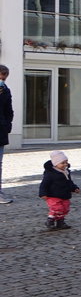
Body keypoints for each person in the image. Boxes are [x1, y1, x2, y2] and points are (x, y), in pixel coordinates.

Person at [38, 149, 80, 230]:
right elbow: (44, 184)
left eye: (66, 162)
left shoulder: (66, 172)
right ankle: (50, 221)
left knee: (65, 208)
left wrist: (74, 188)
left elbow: (69, 182)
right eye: (62, 163)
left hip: (64, 194)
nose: (65, 165)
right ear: (56, 164)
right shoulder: (50, 173)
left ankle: (60, 222)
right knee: (56, 208)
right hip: (52, 195)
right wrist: (43, 193)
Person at [0, 64, 11, 204]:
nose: (2, 81)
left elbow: (9, 110)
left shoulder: (5, 90)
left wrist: (7, 125)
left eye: (4, 78)